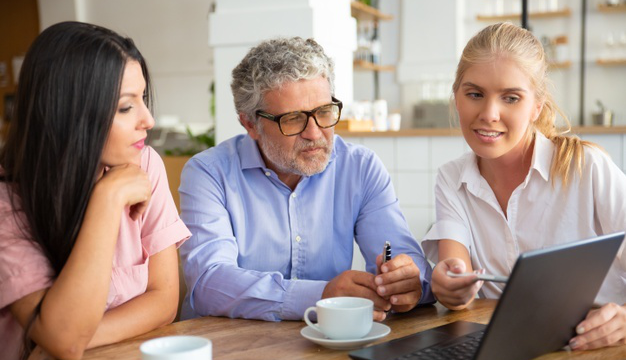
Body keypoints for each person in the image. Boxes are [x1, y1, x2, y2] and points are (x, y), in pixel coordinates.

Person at [179, 37, 434, 322]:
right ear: (250, 124)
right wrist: (321, 296)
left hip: (331, 342)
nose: (314, 133)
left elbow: (408, 264)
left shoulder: (360, 167)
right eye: (293, 119)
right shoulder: (207, 173)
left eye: (324, 112)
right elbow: (209, 284)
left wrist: (409, 283)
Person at [422, 22, 626, 351]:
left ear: (536, 106)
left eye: (511, 98)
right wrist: (450, 286)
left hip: (599, 347)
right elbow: (454, 275)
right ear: (456, 98)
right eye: (475, 94)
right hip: (508, 348)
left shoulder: (586, 167)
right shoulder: (451, 179)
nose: (489, 114)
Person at [0, 21, 191, 360]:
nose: (148, 119)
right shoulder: (8, 202)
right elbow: (64, 337)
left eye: (143, 99)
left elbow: (164, 301)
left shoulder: (145, 164)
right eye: (125, 106)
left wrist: (73, 337)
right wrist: (107, 198)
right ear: (69, 113)